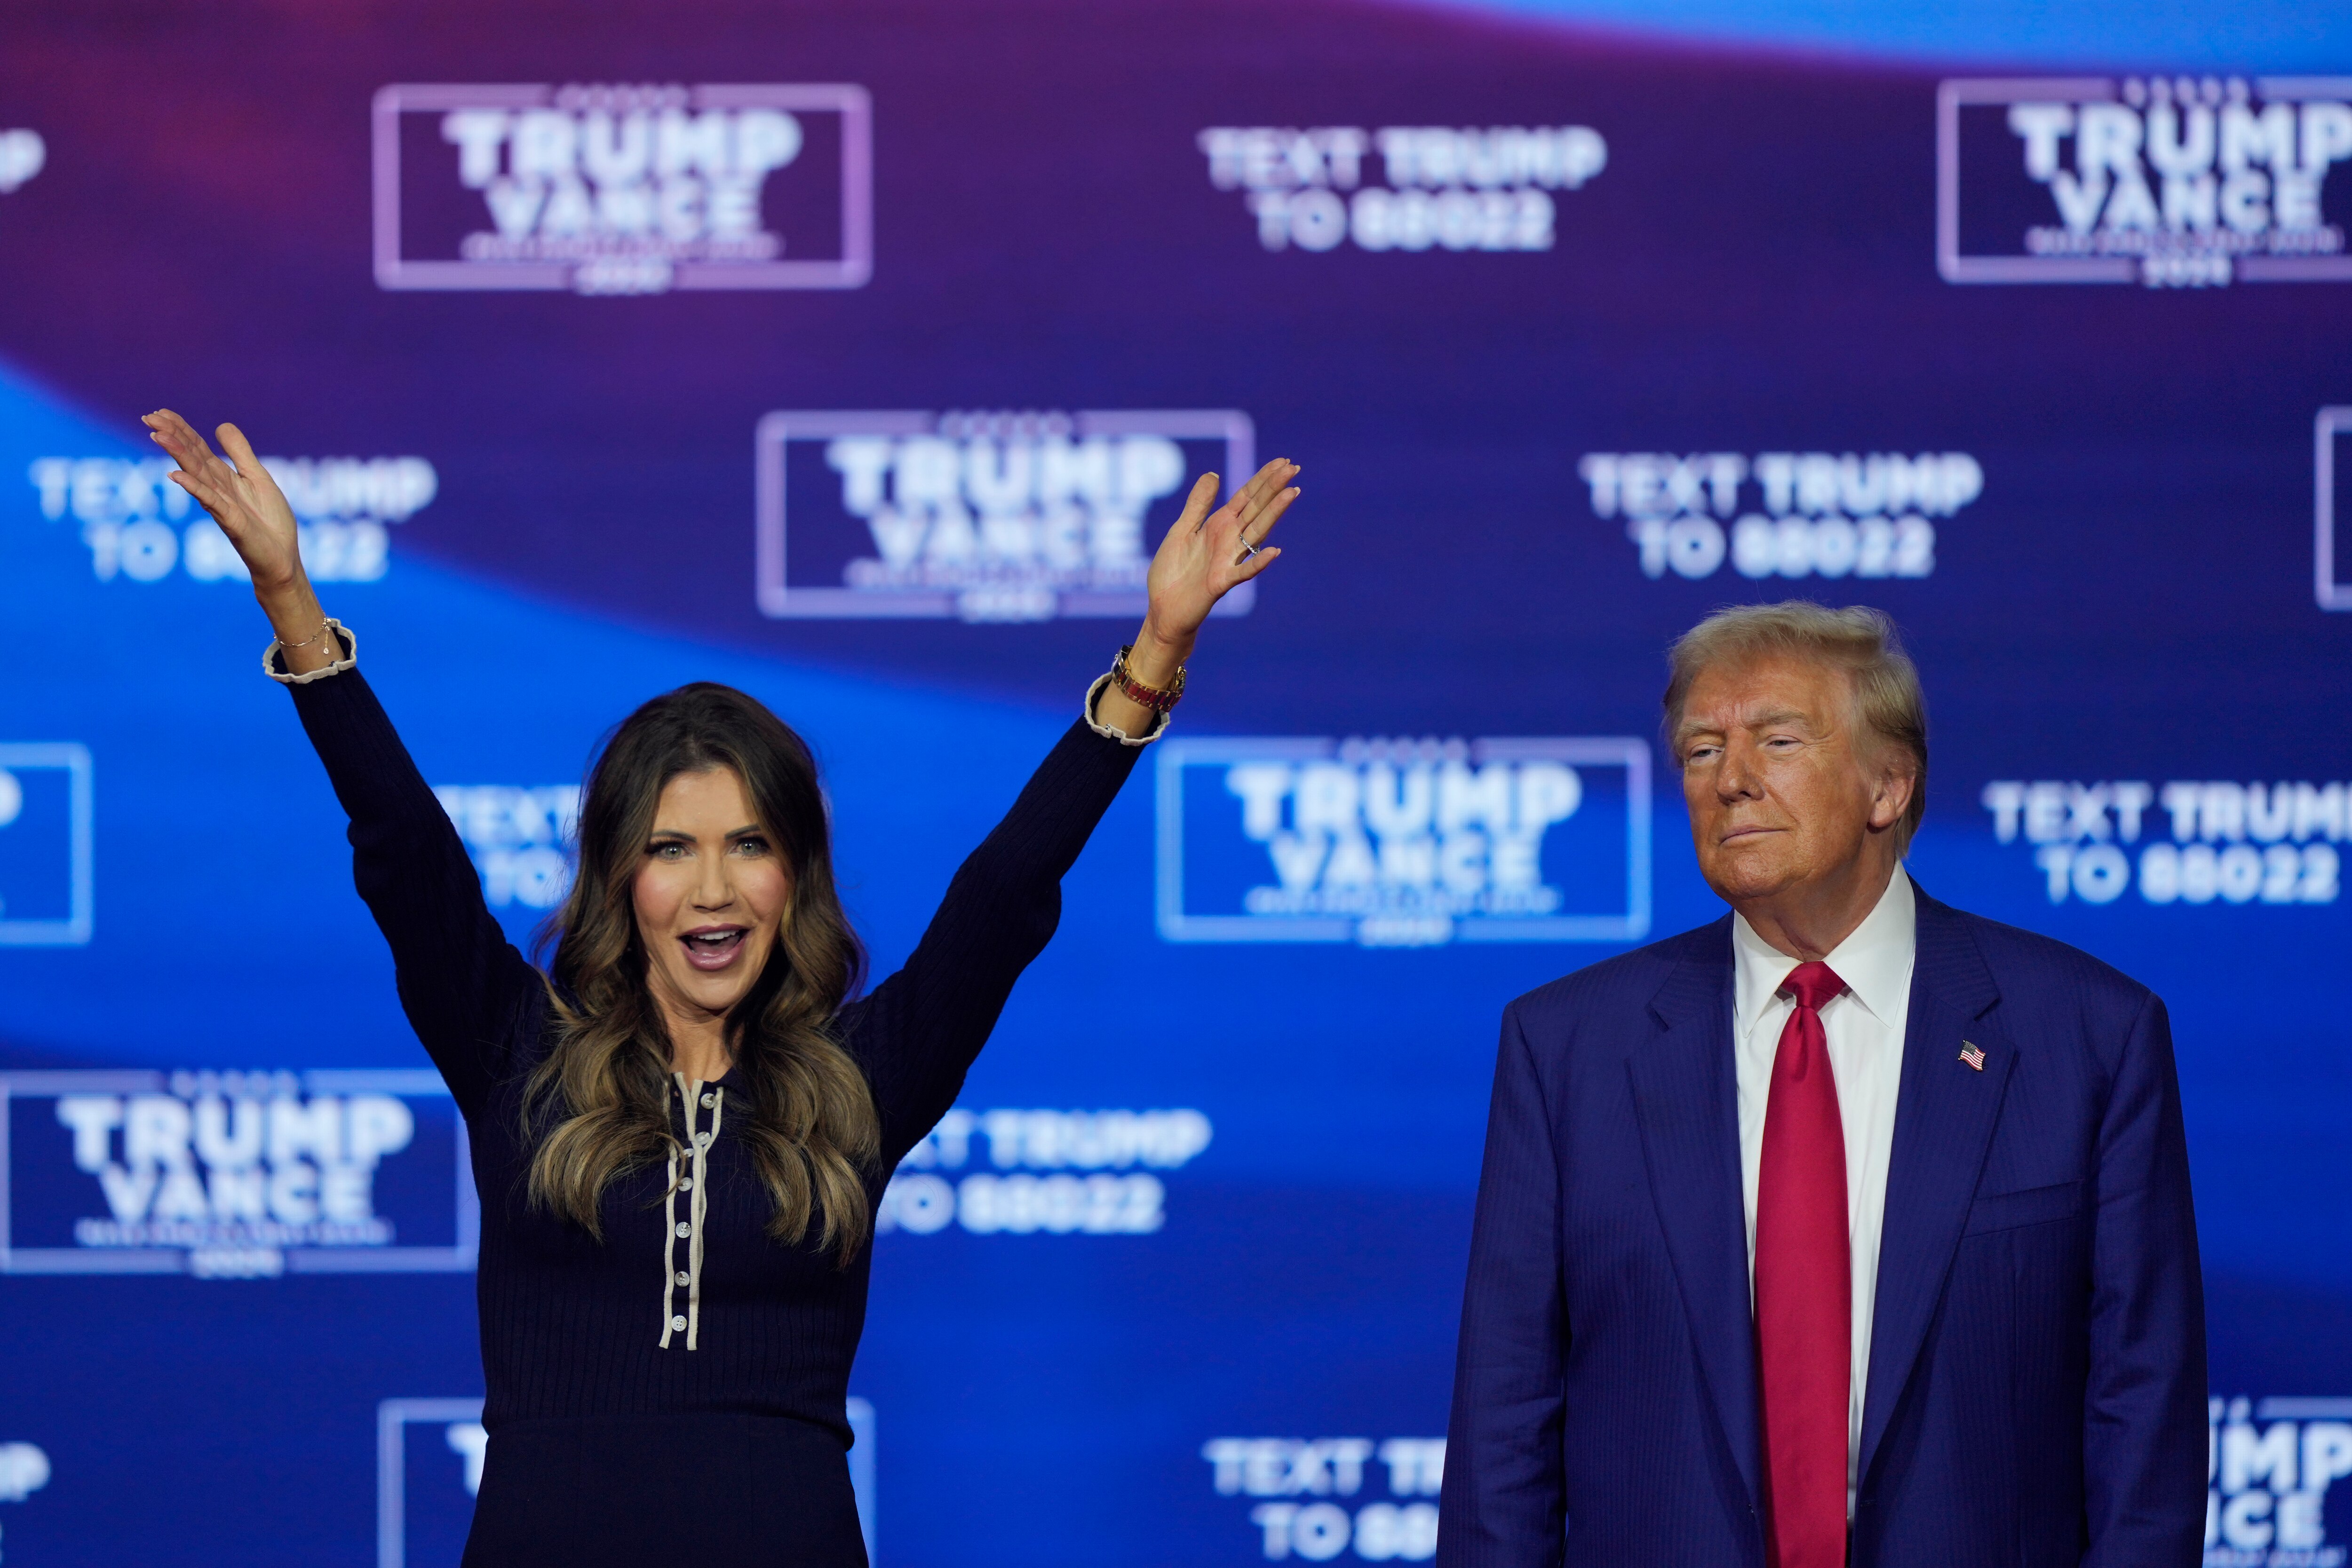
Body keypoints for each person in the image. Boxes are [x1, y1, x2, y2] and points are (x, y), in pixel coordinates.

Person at [141, 408, 1300, 1567]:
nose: (713, 890)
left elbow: (1004, 896)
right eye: (670, 848)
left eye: (749, 844)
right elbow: (404, 848)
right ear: (619, 877)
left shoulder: (862, 1079)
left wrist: (1153, 659)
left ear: (794, 872)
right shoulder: (515, 1053)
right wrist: (290, 599)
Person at [1437, 602, 2204, 1568]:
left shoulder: (2088, 1034)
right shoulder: (1567, 1047)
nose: (1730, 780)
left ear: (1888, 783)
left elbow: (2145, 1417)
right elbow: (1503, 1424)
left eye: (1778, 740)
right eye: (1701, 749)